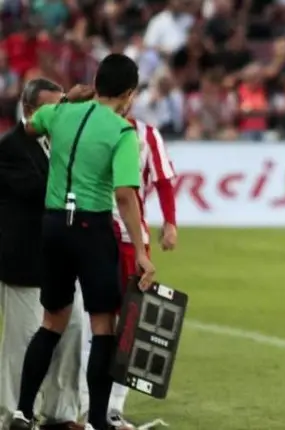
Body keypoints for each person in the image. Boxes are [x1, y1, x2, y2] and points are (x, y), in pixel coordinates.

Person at [9, 53, 156, 430]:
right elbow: (125, 195)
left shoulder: (60, 114)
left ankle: (23, 411)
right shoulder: (121, 131)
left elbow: (29, 128)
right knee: (103, 326)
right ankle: (98, 421)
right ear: (129, 94)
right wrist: (141, 251)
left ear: (95, 83)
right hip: (92, 227)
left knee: (50, 322)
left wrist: (67, 100)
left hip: (54, 225)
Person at [78, 115, 178, 430]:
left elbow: (163, 180)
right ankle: (86, 407)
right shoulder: (87, 124)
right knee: (92, 323)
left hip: (130, 238)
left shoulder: (147, 134)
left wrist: (170, 222)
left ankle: (113, 409)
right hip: (92, 232)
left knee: (129, 325)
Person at [0, 79, 89, 430]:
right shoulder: (10, 147)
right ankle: (12, 415)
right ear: (29, 110)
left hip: (63, 258)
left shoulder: (58, 143)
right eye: (53, 109)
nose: (59, 116)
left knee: (73, 333)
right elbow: (39, 191)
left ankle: (60, 414)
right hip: (25, 261)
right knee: (23, 341)